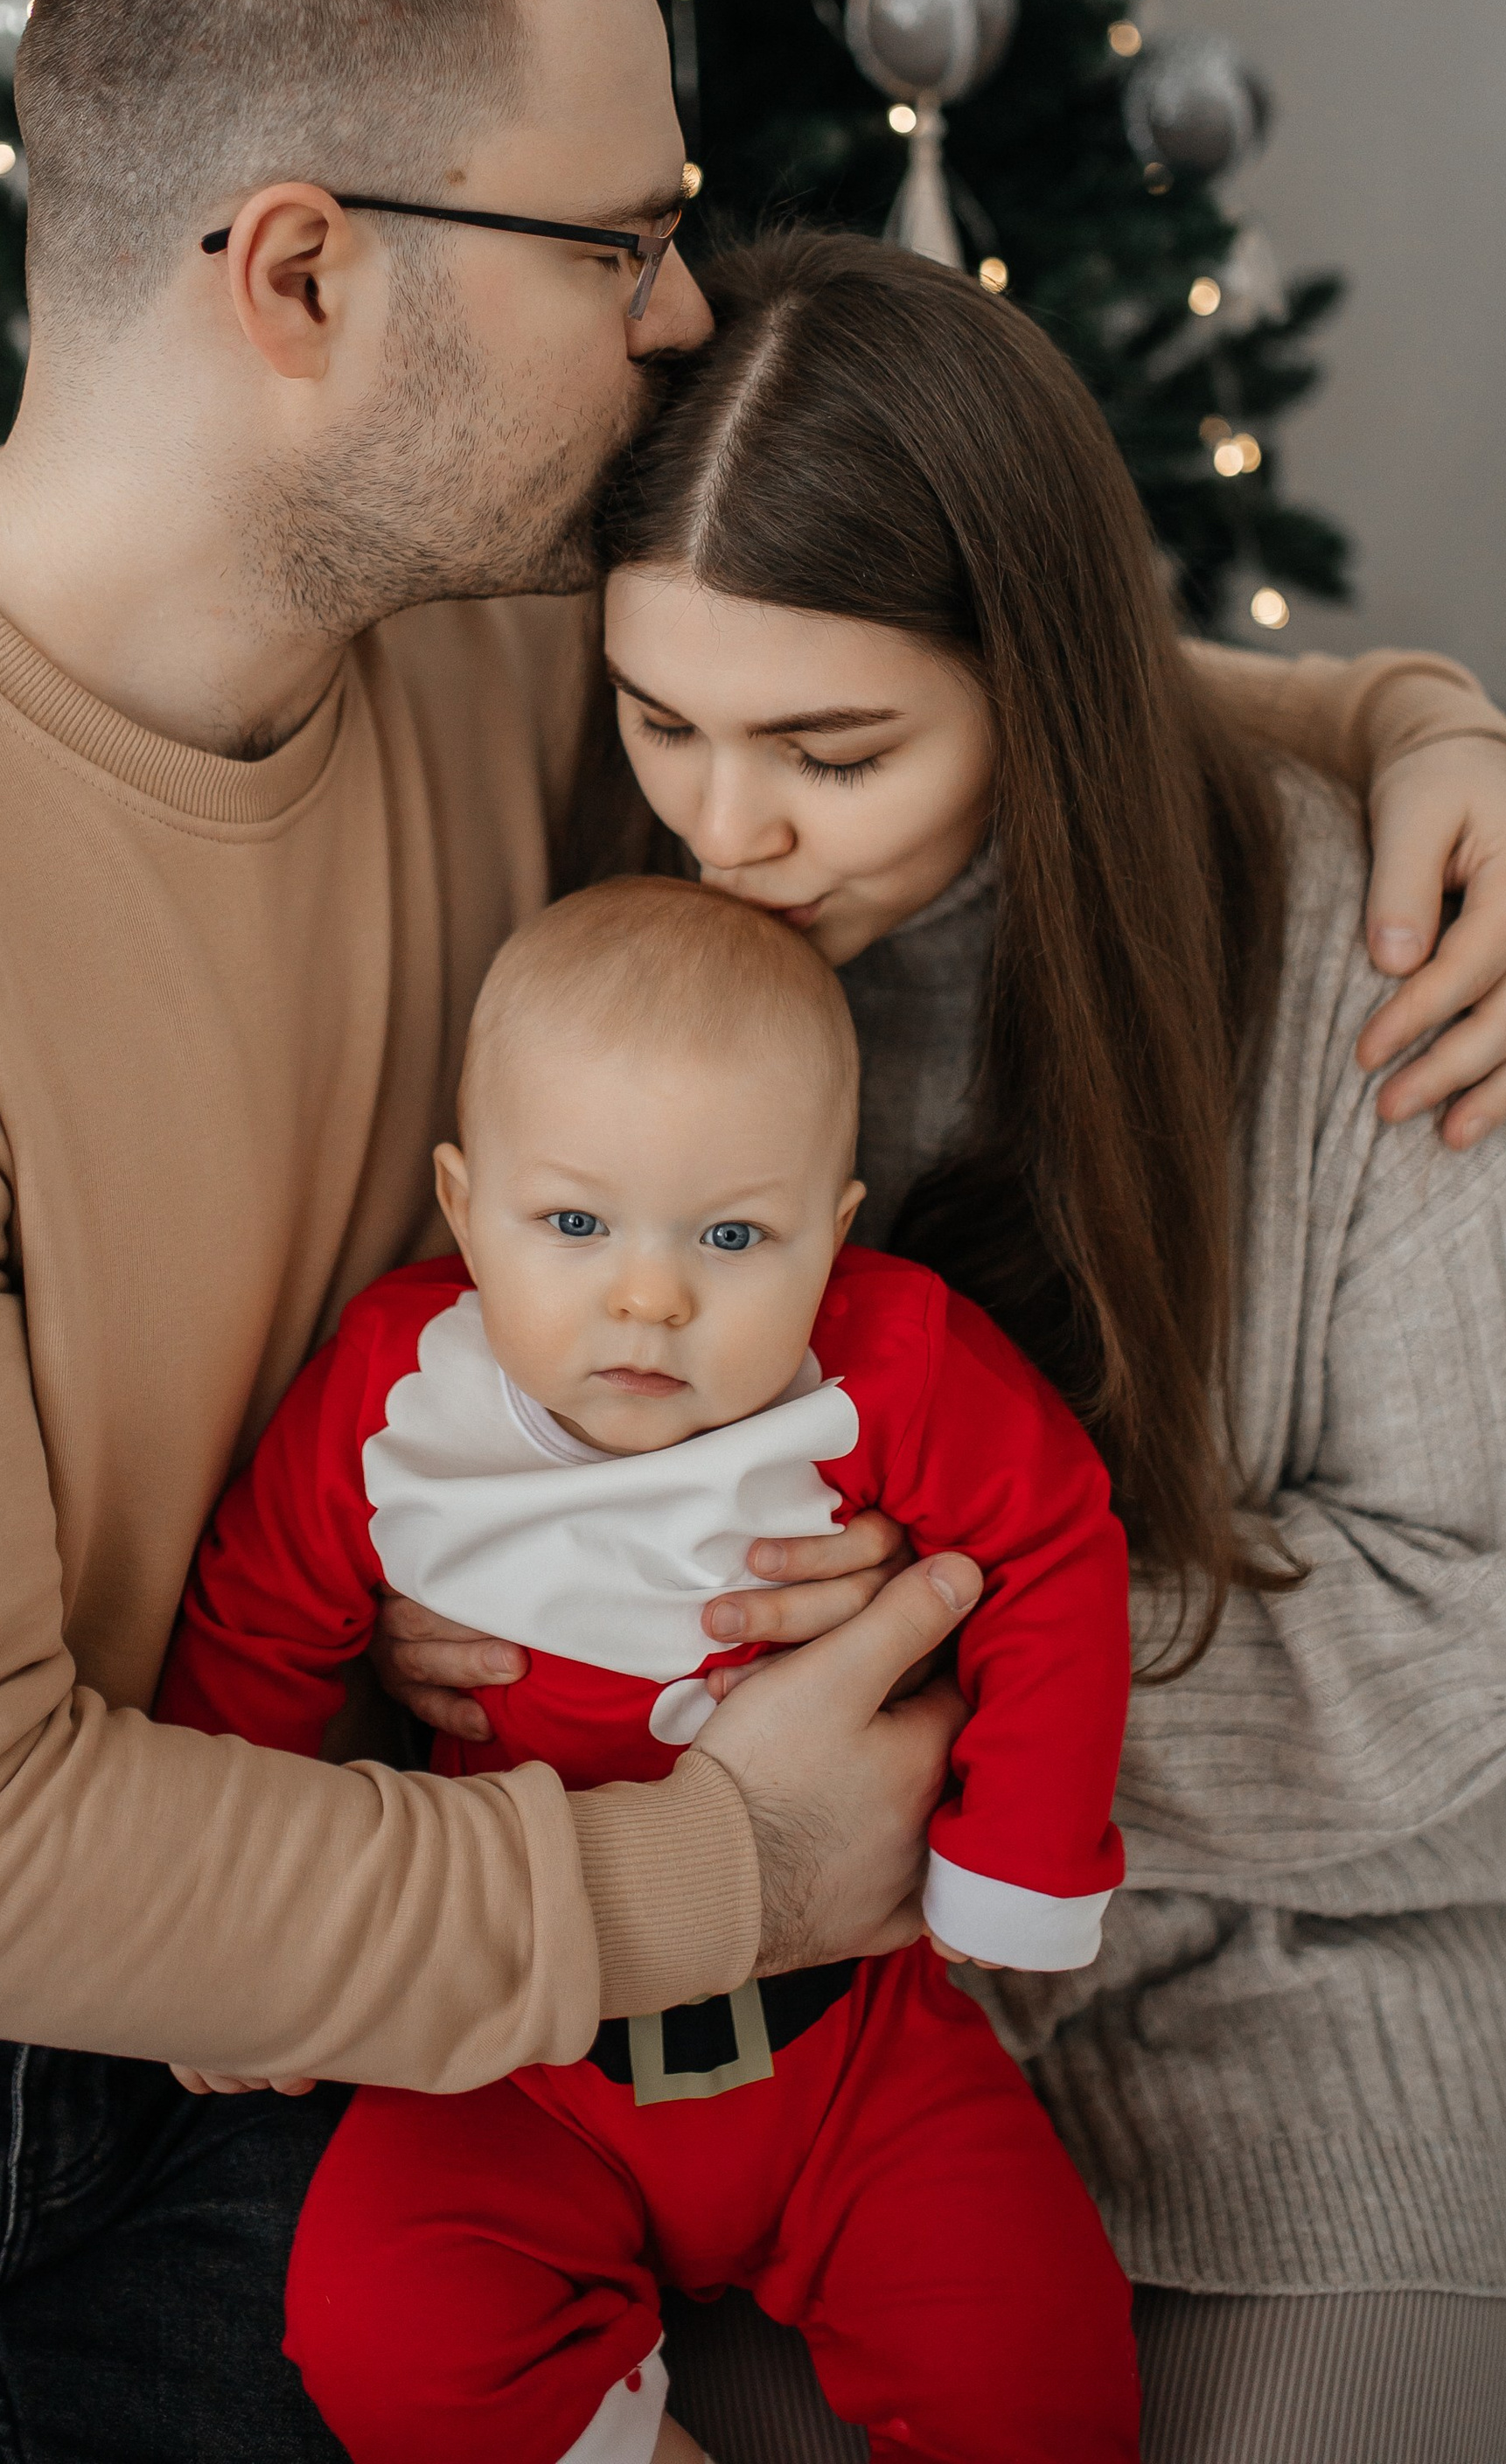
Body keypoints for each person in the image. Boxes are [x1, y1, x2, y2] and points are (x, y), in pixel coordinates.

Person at [0, 0, 1506, 2456]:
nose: (677, 316)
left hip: (296, 2011)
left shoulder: (488, 662)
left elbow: (990, 672)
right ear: (301, 273)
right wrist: (717, 1858)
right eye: (618, 237)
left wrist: (1427, 726)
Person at [381, 229, 1506, 2464]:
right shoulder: (607, 952)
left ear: (1033, 686)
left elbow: (1485, 1597)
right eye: (663, 718)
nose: (724, 829)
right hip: (774, 2033)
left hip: (1297, 1982)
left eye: (830, 750)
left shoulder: (1355, 938)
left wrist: (942, 1693)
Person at [161, 876, 1140, 2464]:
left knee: (1041, 2368)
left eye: (734, 1236)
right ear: (466, 1207)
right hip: (516, 2048)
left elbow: (1052, 1547)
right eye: (574, 1225)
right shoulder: (399, 1399)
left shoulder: (889, 1364)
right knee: (379, 2332)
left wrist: (1016, 1859)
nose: (649, 1295)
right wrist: (242, 1940)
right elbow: (257, 1631)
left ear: (832, 1235)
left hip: (849, 2040)